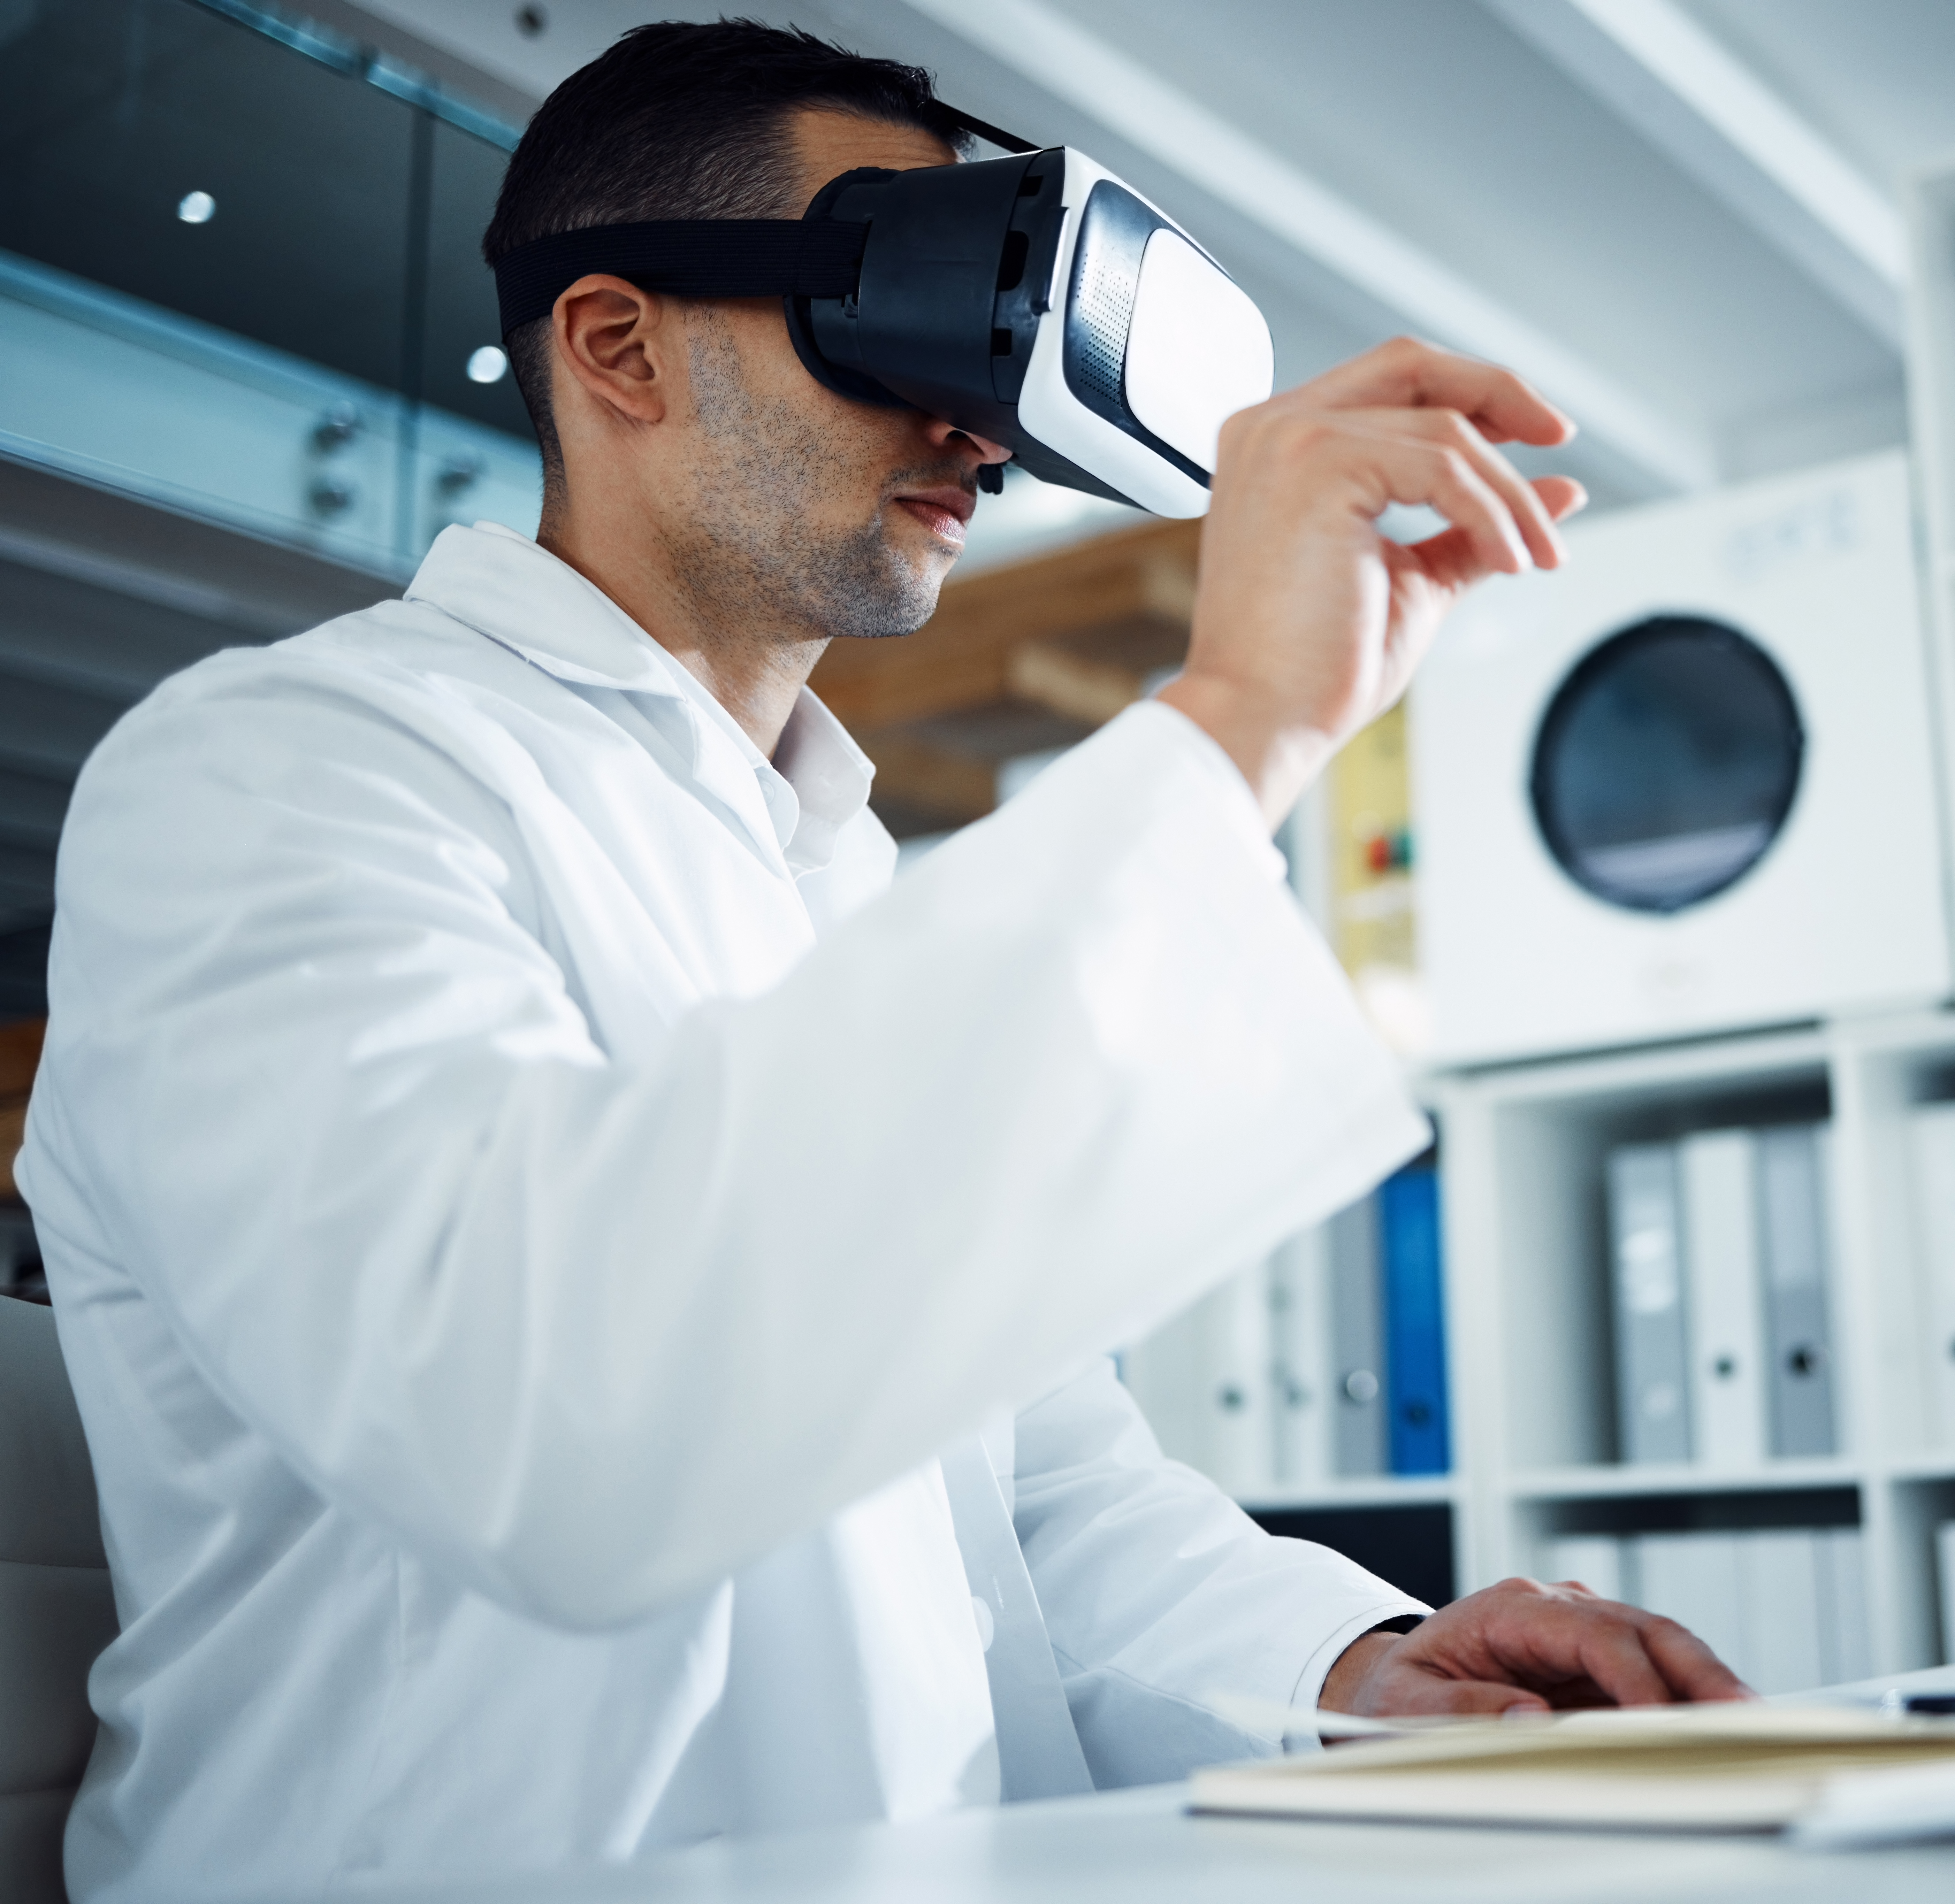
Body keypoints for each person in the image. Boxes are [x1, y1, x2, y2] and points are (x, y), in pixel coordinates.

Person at [14, 20, 1744, 1901]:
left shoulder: (839, 877)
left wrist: (1347, 1671)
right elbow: (546, 1409)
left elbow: (1030, 1489)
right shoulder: (277, 775)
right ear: (617, 345)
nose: (980, 427)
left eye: (991, 352)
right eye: (900, 316)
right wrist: (1236, 714)